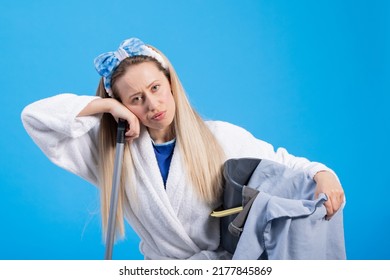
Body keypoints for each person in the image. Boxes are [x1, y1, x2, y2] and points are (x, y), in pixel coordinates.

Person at [21, 37, 344, 260]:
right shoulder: (111, 153)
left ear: (170, 83)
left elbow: (286, 165)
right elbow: (35, 117)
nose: (152, 104)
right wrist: (107, 109)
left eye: (155, 88)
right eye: (135, 99)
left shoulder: (220, 137)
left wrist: (323, 174)